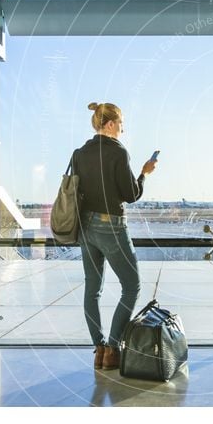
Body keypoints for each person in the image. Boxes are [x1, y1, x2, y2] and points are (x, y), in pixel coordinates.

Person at [73, 102, 157, 370]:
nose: (123, 127)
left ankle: (98, 349)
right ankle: (112, 348)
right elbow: (131, 195)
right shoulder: (118, 152)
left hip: (85, 228)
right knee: (131, 286)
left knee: (92, 289)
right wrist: (144, 174)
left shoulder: (79, 153)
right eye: (121, 122)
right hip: (111, 227)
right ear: (109, 124)